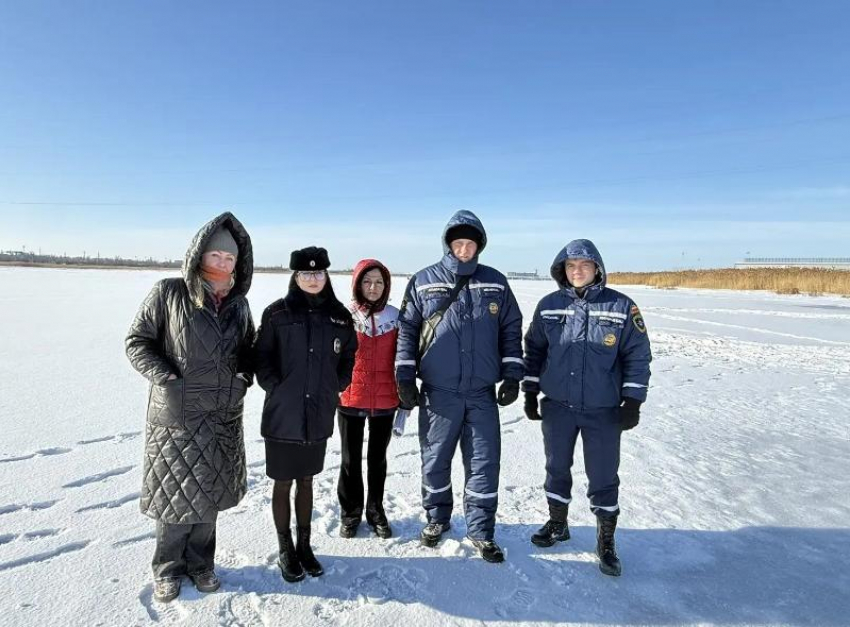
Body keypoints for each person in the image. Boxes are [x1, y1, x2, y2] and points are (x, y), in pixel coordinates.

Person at [125, 212, 255, 603]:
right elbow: (137, 342)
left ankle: (202, 564)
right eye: (216, 255)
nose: (222, 263)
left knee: (209, 495)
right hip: (177, 415)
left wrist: (243, 379)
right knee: (175, 496)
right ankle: (167, 569)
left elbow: (248, 351)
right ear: (199, 255)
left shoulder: (239, 305)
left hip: (221, 414)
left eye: (229, 258)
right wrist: (168, 378)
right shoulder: (168, 293)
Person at [395, 210, 523, 563]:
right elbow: (407, 329)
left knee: (484, 463)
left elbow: (511, 329)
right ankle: (437, 519)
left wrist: (512, 374)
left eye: (470, 242)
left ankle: (482, 531)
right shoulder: (423, 281)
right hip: (439, 394)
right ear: (449, 244)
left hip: (481, 393)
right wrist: (404, 376)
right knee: (435, 460)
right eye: (458, 242)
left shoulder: (496, 282)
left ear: (478, 245)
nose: (464, 248)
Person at [522, 239, 652, 577]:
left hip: (603, 410)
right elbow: (534, 350)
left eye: (583, 265)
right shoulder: (548, 306)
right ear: (562, 271)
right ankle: (557, 523)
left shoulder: (622, 306)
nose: (576, 271)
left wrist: (633, 401)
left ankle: (606, 541)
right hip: (558, 408)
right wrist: (530, 391)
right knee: (556, 467)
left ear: (597, 268)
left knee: (604, 475)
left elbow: (637, 355)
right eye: (570, 266)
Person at [253, 246, 357, 583]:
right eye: (305, 274)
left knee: (308, 480)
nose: (312, 279)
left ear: (326, 275)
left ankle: (305, 545)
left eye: (318, 273)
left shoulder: (340, 316)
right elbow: (262, 355)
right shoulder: (277, 313)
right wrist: (275, 385)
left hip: (318, 413)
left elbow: (349, 357)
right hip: (283, 414)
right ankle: (286, 548)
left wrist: (336, 384)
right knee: (283, 483)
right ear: (295, 277)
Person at [337, 259, 400, 539]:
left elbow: (406, 355)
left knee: (377, 459)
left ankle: (375, 511)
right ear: (357, 283)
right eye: (367, 281)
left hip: (386, 399)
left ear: (385, 285)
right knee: (350, 460)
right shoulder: (343, 315)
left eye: (378, 282)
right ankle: (351, 513)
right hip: (351, 398)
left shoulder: (396, 317)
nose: (373, 287)